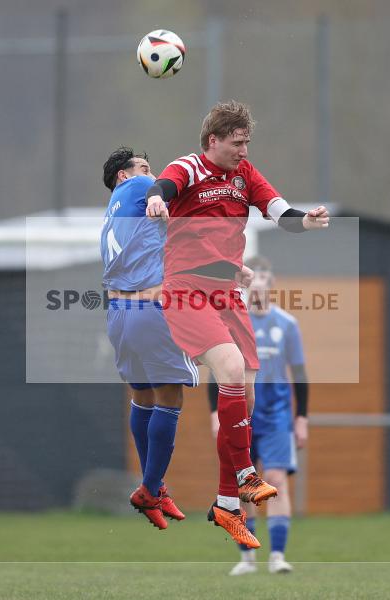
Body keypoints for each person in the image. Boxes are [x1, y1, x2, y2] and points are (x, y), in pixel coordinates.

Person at [145, 100, 328, 548]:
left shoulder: (245, 176)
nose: (244, 151)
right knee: (227, 370)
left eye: (247, 143)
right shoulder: (188, 166)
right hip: (186, 289)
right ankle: (246, 474)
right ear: (214, 140)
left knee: (245, 389)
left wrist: (303, 221)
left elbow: (278, 209)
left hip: (227, 292)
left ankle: (227, 505)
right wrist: (155, 197)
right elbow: (167, 185)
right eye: (237, 143)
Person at [100, 147, 197, 530]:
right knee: (171, 396)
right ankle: (151, 487)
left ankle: (152, 486)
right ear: (124, 176)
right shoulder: (141, 186)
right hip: (150, 307)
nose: (151, 174)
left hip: (118, 313)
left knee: (142, 397)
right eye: (143, 168)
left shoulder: (112, 210)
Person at [208, 256, 308, 575]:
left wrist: (301, 417)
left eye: (266, 275)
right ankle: (246, 557)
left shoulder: (287, 324)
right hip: (242, 414)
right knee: (244, 486)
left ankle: (277, 556)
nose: (261, 281)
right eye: (256, 275)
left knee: (276, 480)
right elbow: (219, 369)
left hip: (277, 415)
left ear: (272, 282)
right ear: (246, 282)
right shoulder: (234, 321)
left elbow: (301, 374)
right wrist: (214, 413)